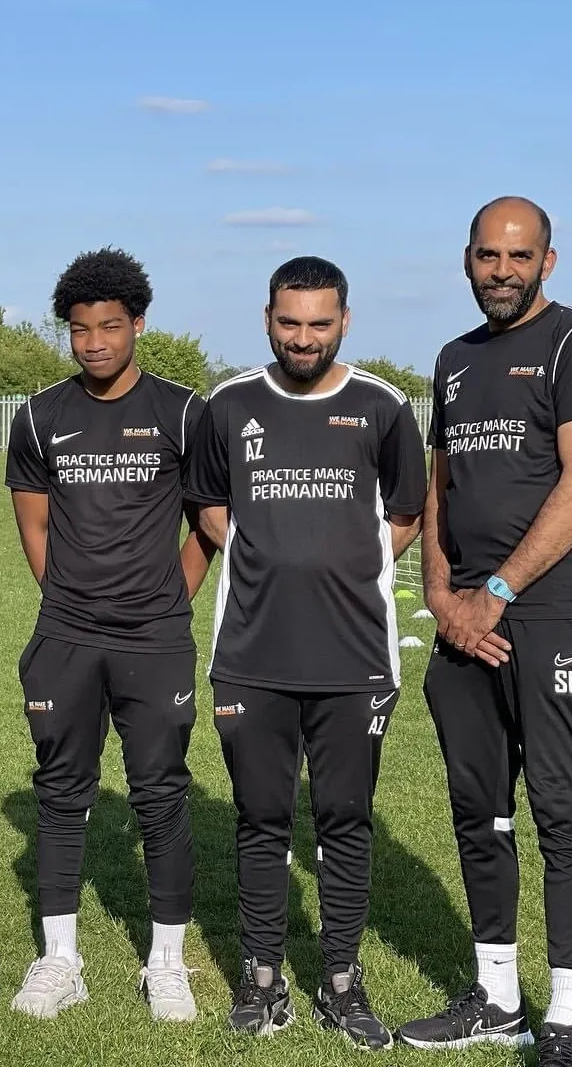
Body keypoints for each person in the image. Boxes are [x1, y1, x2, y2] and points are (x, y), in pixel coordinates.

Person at [186, 256, 427, 1049]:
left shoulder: (382, 407)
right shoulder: (228, 405)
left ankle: (341, 984)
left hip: (354, 656)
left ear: (345, 323)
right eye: (290, 322)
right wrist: (269, 558)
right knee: (260, 818)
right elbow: (210, 505)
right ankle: (261, 980)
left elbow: (404, 512)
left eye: (320, 323)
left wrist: (345, 566)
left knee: (344, 820)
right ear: (267, 319)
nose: (303, 337)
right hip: (251, 655)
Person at [5, 246, 214, 1022]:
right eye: (81, 330)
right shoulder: (37, 416)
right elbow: (35, 523)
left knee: (161, 794)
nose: (94, 343)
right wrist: (66, 600)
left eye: (110, 327)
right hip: (65, 635)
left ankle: (167, 963)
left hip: (155, 638)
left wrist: (170, 597)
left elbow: (209, 522)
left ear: (138, 325)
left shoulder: (184, 412)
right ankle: (61, 960)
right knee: (61, 793)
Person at [397, 197, 572, 1062]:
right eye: (487, 256)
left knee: (561, 811)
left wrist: (496, 591)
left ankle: (569, 1014)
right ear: (466, 259)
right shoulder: (453, 360)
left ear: (548, 260)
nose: (501, 271)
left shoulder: (569, 344)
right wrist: (442, 596)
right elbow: (440, 489)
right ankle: (498, 1000)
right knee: (480, 814)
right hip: (463, 624)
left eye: (518, 256)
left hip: (544, 614)